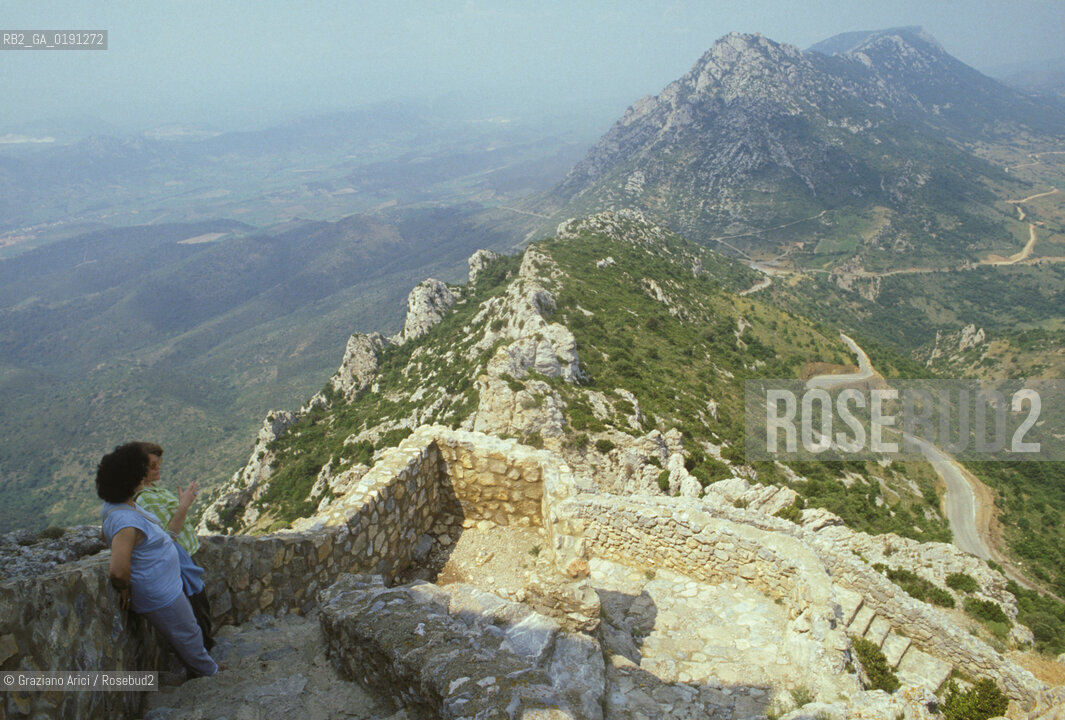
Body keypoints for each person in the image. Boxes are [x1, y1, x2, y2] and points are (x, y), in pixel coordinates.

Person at [97, 443, 218, 678]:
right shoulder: (125, 521)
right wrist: (124, 586)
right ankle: (208, 673)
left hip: (164, 583)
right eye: (143, 470)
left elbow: (105, 535)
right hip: (160, 591)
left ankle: (204, 668)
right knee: (188, 632)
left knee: (188, 629)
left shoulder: (117, 506)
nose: (146, 474)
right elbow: (118, 571)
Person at [132, 441, 214, 650]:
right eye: (152, 465)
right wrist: (184, 506)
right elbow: (168, 537)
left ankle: (207, 660)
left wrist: (182, 506)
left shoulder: (154, 490)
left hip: (184, 559)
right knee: (194, 613)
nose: (157, 467)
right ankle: (203, 667)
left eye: (158, 462)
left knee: (200, 609)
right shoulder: (145, 500)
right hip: (176, 564)